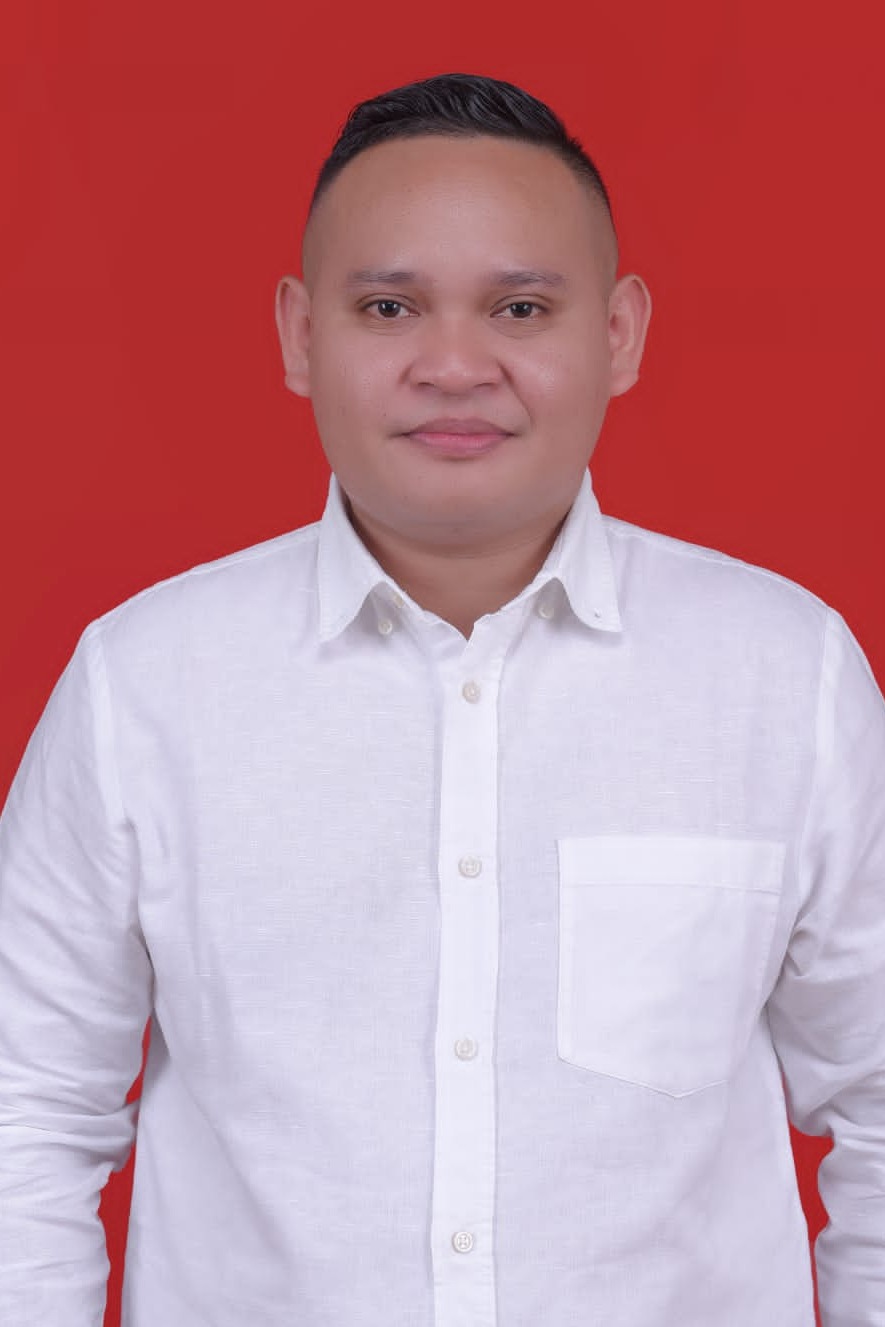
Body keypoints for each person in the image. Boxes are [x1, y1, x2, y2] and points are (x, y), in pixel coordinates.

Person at [0, 71, 883, 1327]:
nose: (456, 365)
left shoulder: (784, 676)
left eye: (521, 307)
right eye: (389, 307)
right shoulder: (142, 685)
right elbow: (24, 1110)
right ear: (300, 336)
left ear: (619, 333)